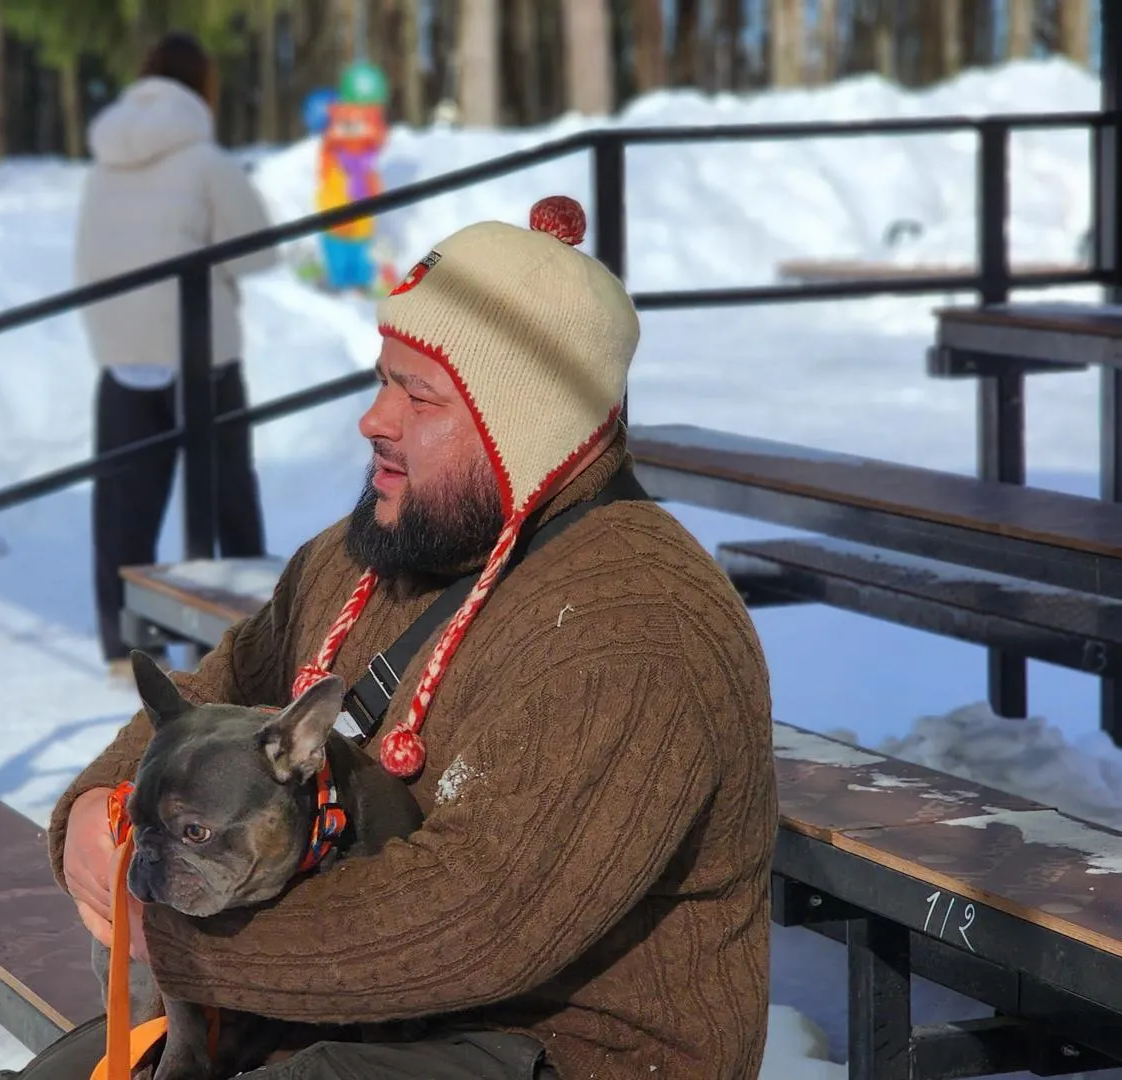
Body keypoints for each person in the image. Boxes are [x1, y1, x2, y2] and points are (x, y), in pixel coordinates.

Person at [42, 197, 778, 1078]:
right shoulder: (370, 552)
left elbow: (476, 920)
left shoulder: (635, 630)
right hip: (340, 1012)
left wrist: (171, 935)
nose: (374, 419)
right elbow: (219, 692)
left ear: (528, 429)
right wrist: (98, 808)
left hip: (566, 1046)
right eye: (383, 380)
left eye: (419, 396)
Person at [74, 32, 278, 680]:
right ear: (202, 87)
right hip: (199, 351)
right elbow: (260, 250)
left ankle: (124, 647)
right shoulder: (204, 160)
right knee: (226, 494)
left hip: (122, 350)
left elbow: (87, 256)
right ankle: (253, 637)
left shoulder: (104, 163)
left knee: (124, 501)